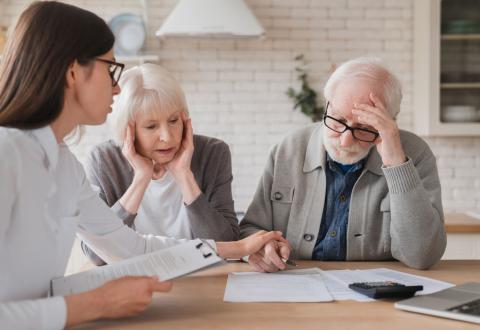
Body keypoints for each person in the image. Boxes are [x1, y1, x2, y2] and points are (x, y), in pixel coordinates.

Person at [0, 2, 287, 329]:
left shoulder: (64, 165)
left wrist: (239, 246)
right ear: (73, 72)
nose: (117, 86)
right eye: (110, 68)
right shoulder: (6, 155)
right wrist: (95, 304)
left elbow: (132, 248)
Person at [240, 57, 446, 272]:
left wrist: (396, 163)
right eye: (337, 120)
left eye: (364, 128)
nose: (346, 141)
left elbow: (423, 256)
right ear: (327, 104)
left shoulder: (415, 153)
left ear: (389, 121)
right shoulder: (289, 148)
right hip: (294, 282)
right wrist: (261, 247)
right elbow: (249, 230)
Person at [80, 64, 239, 266]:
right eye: (151, 126)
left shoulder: (213, 152)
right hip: (134, 280)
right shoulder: (104, 161)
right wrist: (141, 179)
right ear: (127, 130)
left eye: (173, 120)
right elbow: (96, 256)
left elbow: (227, 245)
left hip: (201, 275)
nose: (167, 137)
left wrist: (184, 175)